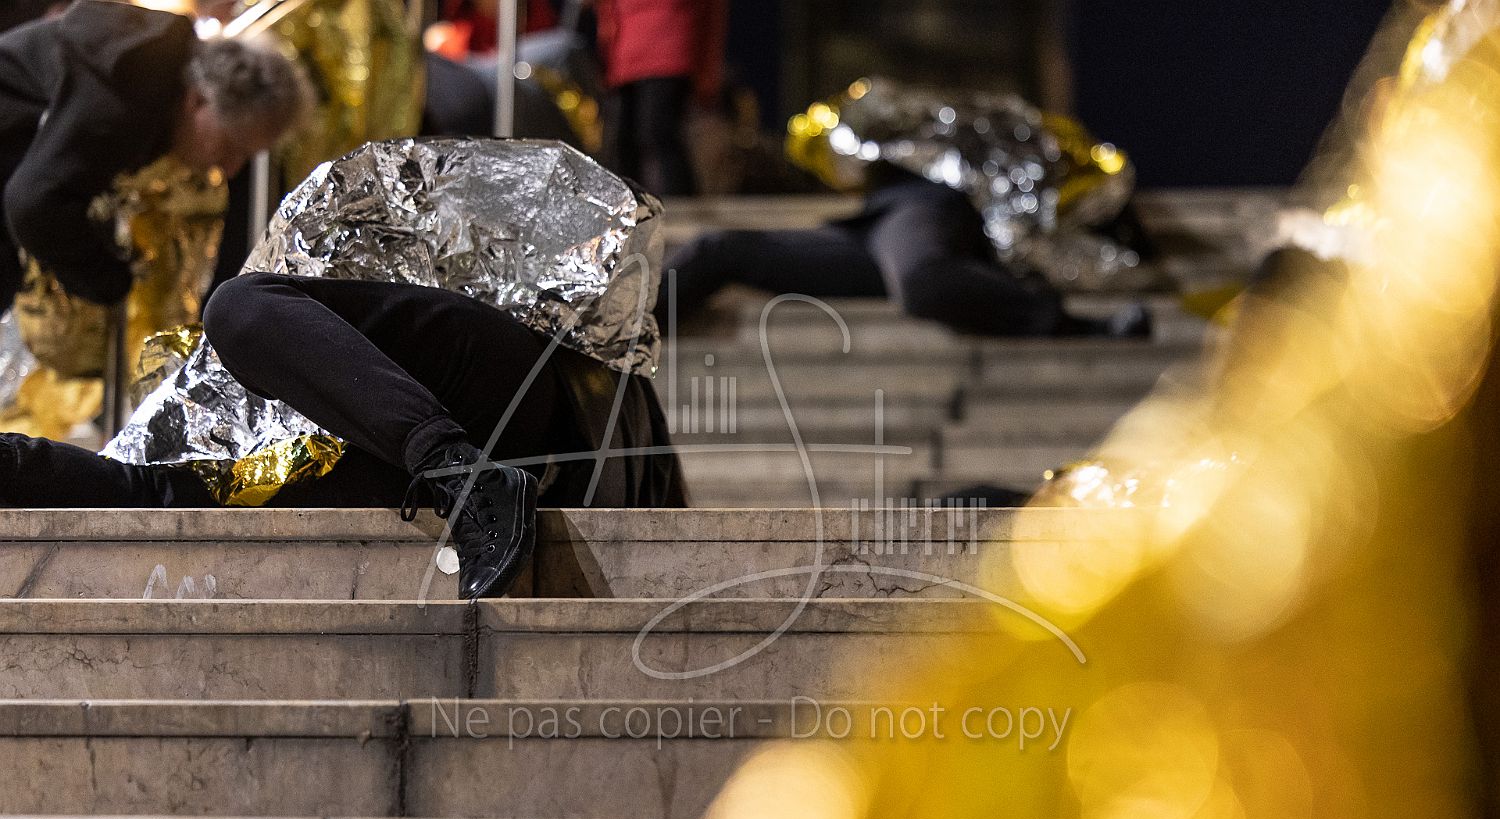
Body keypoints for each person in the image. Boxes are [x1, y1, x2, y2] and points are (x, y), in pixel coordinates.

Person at [0, 273, 687, 599]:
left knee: (236, 306)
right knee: (161, 495)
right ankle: (461, 475)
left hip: (494, 384)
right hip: (400, 453)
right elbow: (130, 487)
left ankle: (459, 473)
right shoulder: (179, 472)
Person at [0, 0, 309, 312]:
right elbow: (31, 205)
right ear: (199, 100)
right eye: (232, 146)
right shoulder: (126, 88)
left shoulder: (147, 68)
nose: (230, 169)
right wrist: (110, 281)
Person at [660, 165, 1151, 339]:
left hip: (928, 211)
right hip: (870, 228)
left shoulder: (951, 165)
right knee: (721, 246)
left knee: (923, 281)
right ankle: (630, 321)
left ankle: (1077, 325)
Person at [595, 0, 726, 196]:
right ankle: (627, 205)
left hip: (668, 53)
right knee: (620, 142)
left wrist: (708, 70)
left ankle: (683, 206)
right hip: (625, 58)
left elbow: (712, 12)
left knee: (658, 134)